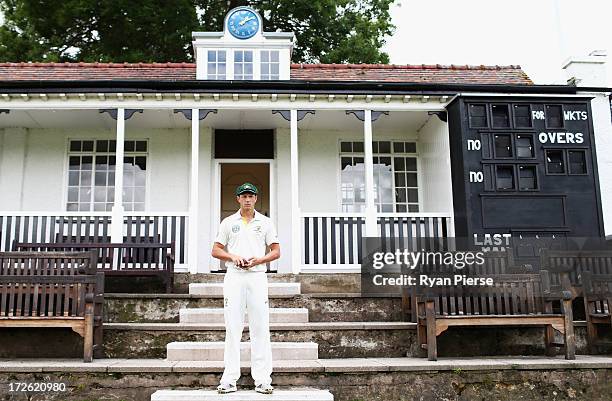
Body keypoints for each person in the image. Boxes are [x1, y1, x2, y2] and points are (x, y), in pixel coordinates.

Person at [212, 182, 280, 394]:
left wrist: (259, 260)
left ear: (256, 199)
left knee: (260, 327)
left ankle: (262, 379)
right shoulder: (228, 222)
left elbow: (276, 251)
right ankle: (229, 379)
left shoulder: (266, 222)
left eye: (251, 195)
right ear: (238, 199)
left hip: (257, 277)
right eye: (244, 196)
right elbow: (215, 250)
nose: (248, 199)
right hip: (234, 276)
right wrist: (233, 256)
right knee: (233, 327)